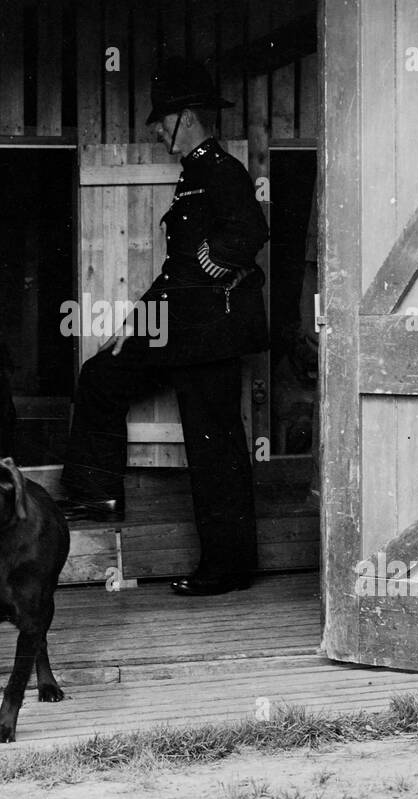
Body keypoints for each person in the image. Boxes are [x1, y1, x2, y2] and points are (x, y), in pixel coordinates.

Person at [61, 57, 269, 596]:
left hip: (209, 336)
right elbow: (173, 274)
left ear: (187, 118)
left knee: (214, 446)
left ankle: (227, 567)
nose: (155, 129)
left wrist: (213, 261)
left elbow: (249, 233)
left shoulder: (223, 171)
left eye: (161, 119)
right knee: (102, 375)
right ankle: (95, 493)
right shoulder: (193, 176)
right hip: (178, 328)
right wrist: (133, 326)